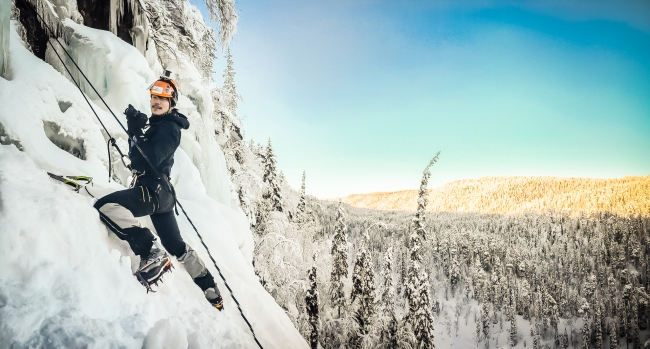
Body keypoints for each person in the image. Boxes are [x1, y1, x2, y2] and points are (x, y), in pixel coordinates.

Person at [93, 72, 223, 310]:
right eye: (154, 97)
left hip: (153, 191)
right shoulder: (159, 127)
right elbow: (140, 158)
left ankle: (149, 249)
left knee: (106, 206)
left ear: (172, 103)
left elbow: (148, 158)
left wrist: (135, 131)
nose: (156, 101)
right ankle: (209, 287)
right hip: (163, 195)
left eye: (163, 98)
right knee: (176, 245)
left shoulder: (169, 128)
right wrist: (139, 131)